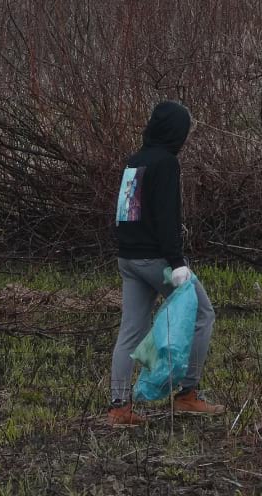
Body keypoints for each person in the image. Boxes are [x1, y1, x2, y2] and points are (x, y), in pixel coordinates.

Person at [108, 101, 224, 426]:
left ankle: (119, 406)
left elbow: (123, 214)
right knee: (203, 313)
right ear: (177, 132)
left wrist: (129, 249)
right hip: (157, 259)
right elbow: (167, 218)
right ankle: (187, 394)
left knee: (130, 331)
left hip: (128, 258)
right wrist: (176, 261)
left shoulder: (136, 161)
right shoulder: (167, 163)